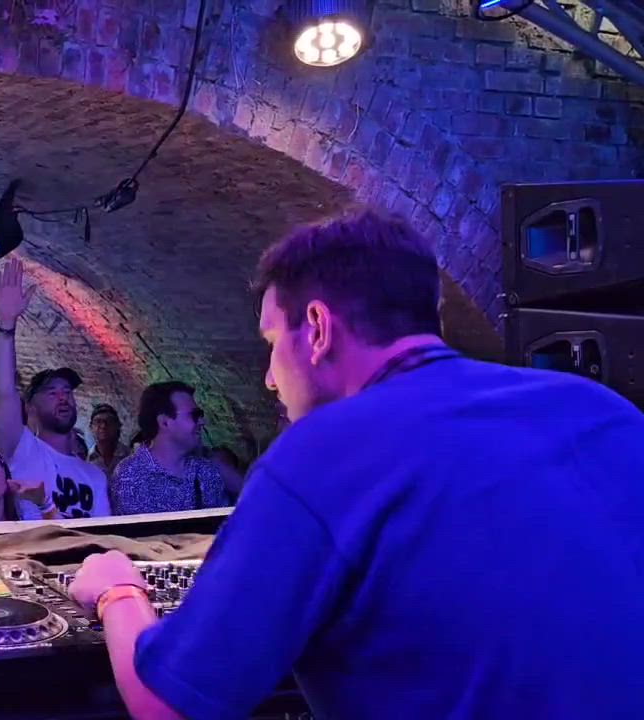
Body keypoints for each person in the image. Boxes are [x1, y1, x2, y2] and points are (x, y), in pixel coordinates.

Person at [69, 209, 644, 719]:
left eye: (271, 341)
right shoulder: (602, 411)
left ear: (317, 329)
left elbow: (168, 703)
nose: (268, 378)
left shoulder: (319, 453)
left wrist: (117, 588)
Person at [0, 259, 111, 518]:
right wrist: (7, 325)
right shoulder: (23, 450)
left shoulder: (95, 476)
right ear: (31, 407)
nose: (63, 397)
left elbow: (102, 532)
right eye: (52, 392)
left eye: (67, 392)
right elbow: (4, 392)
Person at [110, 382, 231, 515]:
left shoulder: (207, 471)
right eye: (195, 415)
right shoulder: (130, 476)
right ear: (164, 422)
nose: (202, 422)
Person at [87, 404, 130, 479]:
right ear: (91, 427)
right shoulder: (86, 460)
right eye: (98, 421)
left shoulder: (130, 456)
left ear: (118, 426)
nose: (103, 426)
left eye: (109, 421)